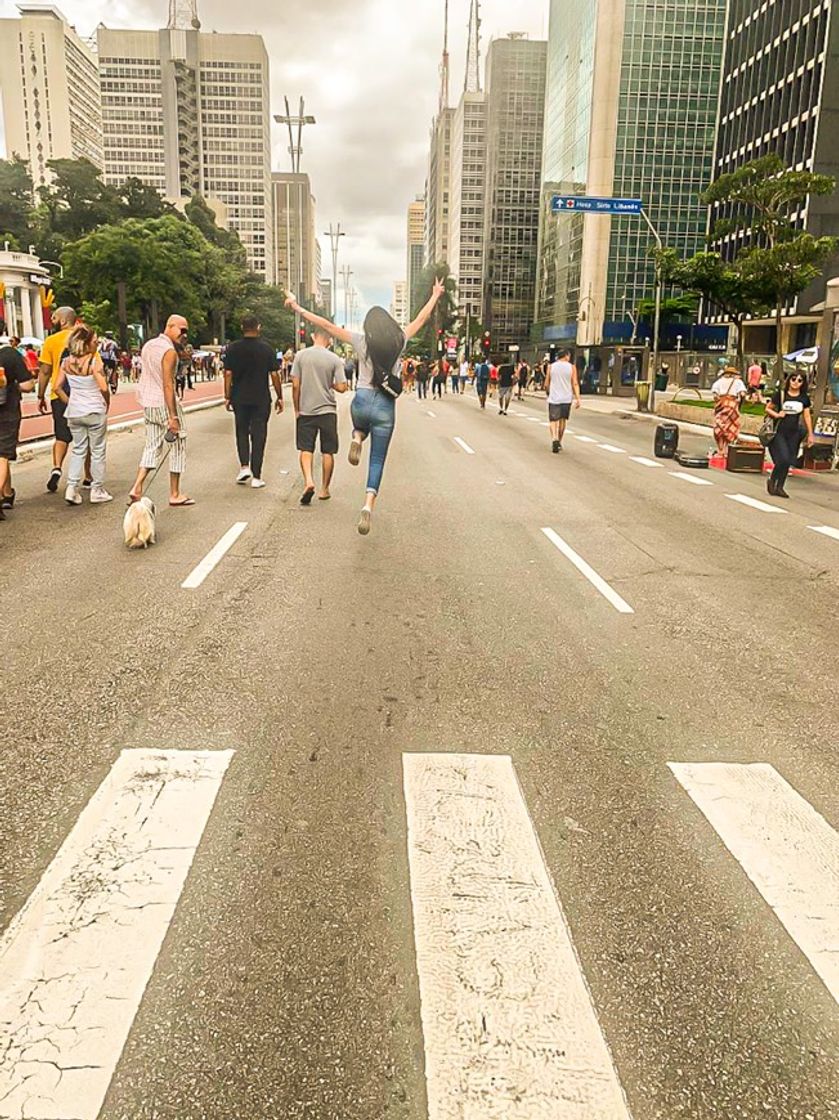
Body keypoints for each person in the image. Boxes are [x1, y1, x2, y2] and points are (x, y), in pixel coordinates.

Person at [285, 278, 444, 535]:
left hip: (361, 400)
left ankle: (358, 436)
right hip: (385, 405)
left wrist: (297, 308)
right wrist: (435, 294)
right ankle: (368, 505)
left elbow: (326, 325)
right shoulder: (400, 340)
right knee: (377, 459)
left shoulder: (361, 341)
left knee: (360, 425)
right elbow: (421, 319)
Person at [129, 314, 194, 506]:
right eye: (182, 330)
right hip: (163, 403)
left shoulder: (148, 345)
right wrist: (173, 416)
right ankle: (175, 493)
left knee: (151, 445)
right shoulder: (169, 352)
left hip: (147, 402)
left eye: (186, 332)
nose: (184, 335)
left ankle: (137, 486)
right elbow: (168, 384)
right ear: (170, 326)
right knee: (178, 445)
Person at [223, 315, 284, 488]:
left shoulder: (233, 348)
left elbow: (228, 373)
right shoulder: (266, 349)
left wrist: (227, 396)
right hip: (261, 398)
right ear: (259, 327)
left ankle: (244, 467)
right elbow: (274, 374)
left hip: (239, 397)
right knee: (259, 435)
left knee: (241, 431)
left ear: (242, 327)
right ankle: (257, 476)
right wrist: (280, 396)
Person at [54, 325, 112, 505]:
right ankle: (97, 489)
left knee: (78, 449)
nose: (97, 344)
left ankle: (71, 488)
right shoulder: (94, 361)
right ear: (87, 343)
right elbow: (103, 387)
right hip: (94, 409)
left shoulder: (66, 362)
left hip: (74, 411)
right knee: (97, 451)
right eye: (95, 341)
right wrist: (106, 402)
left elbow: (56, 387)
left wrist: (70, 401)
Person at [292, 325, 348, 504]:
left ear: (312, 336)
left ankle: (308, 480)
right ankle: (324, 489)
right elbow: (342, 387)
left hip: (306, 410)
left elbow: (295, 385)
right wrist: (329, 384)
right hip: (328, 411)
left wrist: (296, 408)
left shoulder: (300, 356)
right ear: (330, 340)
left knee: (306, 448)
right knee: (328, 451)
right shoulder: (334, 359)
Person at [37, 306, 81, 493]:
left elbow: (45, 371)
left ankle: (57, 468)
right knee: (83, 437)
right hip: (82, 395)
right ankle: (87, 476)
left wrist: (40, 395)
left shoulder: (51, 341)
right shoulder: (83, 338)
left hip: (59, 394)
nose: (51, 321)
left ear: (63, 321)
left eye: (54, 318)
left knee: (61, 435)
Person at [764, 371, 814, 498]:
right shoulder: (781, 395)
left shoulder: (804, 398)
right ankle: (772, 479)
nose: (796, 382)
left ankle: (780, 486)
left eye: (799, 380)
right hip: (780, 431)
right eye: (793, 379)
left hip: (794, 432)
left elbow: (807, 416)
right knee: (783, 458)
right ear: (789, 380)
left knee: (789, 460)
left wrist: (810, 433)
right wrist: (777, 414)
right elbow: (768, 408)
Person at [0, 340, 34, 521]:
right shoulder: (10, 354)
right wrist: (13, 385)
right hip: (7, 410)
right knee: (3, 454)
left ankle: (7, 493)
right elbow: (28, 384)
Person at [546, 348, 581, 452]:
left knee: (553, 420)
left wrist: (548, 391)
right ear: (566, 356)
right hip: (566, 398)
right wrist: (578, 398)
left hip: (554, 398)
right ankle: (560, 441)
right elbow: (575, 383)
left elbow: (547, 382)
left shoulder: (551, 366)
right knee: (562, 420)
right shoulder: (572, 367)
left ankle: (554, 439)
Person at [711, 366, 747, 460]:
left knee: (719, 427)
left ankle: (720, 450)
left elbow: (715, 395)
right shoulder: (738, 382)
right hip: (732, 406)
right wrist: (739, 398)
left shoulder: (719, 382)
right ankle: (726, 450)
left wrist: (719, 400)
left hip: (721, 406)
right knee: (730, 428)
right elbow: (743, 394)